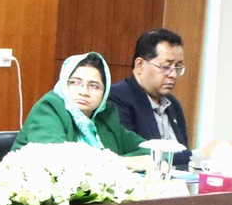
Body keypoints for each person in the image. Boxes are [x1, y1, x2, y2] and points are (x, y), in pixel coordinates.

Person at [13, 52, 147, 156]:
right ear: (64, 84)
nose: (84, 92)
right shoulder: (49, 108)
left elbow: (150, 149)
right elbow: (56, 159)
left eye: (94, 86)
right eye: (75, 83)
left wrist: (121, 162)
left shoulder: (105, 115)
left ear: (104, 92)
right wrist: (120, 163)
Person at [109, 28, 192, 149]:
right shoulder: (117, 98)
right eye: (166, 66)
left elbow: (183, 150)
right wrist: (198, 154)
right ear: (140, 65)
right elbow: (134, 151)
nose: (173, 74)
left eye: (178, 67)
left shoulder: (173, 104)